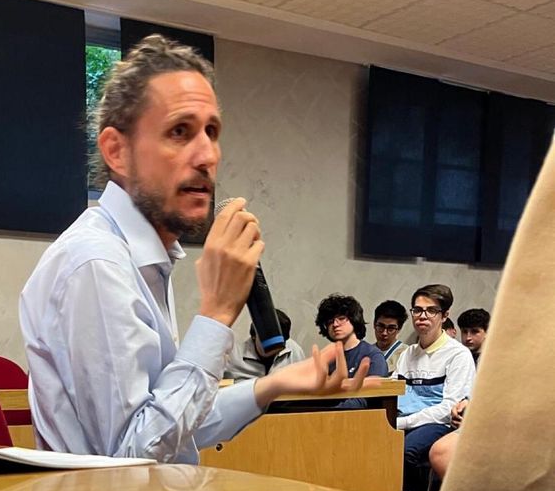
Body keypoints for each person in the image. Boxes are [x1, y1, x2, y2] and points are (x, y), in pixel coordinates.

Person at [19, 34, 370, 463]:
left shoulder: (143, 259)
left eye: (212, 131)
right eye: (179, 131)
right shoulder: (96, 262)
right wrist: (217, 313)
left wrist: (271, 385)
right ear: (117, 151)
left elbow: (172, 426)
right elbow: (132, 455)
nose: (207, 156)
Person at [394, 284, 475, 491]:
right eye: (417, 310)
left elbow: (449, 408)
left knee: (406, 451)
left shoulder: (458, 354)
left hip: (438, 423)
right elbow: (396, 391)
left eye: (431, 310)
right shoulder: (408, 353)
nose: (423, 316)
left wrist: (403, 422)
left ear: (444, 315)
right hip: (405, 419)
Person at [314, 294, 388, 378]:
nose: (335, 324)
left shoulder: (372, 355)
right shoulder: (326, 357)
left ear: (354, 319)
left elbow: (376, 385)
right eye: (330, 321)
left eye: (341, 318)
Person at [225, 309, 305, 380]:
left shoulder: (295, 351)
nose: (272, 346)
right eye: (267, 340)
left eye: (278, 342)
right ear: (254, 336)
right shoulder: (233, 357)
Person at [372, 300, 408, 374]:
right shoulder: (366, 352)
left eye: (391, 328)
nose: (384, 333)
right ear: (374, 325)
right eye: (381, 326)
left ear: (399, 329)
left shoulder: (406, 354)